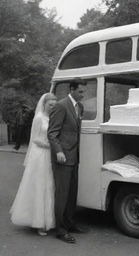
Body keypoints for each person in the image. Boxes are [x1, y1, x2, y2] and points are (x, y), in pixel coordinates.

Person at [10, 93, 57, 236]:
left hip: (50, 154)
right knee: (39, 185)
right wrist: (49, 145)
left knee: (49, 185)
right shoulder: (38, 118)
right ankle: (38, 222)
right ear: (44, 104)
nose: (52, 107)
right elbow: (35, 138)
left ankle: (48, 219)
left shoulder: (52, 118)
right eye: (50, 105)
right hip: (40, 154)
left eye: (54, 105)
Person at [47, 81, 86, 244]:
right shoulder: (61, 106)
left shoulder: (80, 107)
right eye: (81, 92)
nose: (83, 95)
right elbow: (52, 133)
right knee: (62, 195)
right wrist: (59, 152)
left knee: (72, 194)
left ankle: (69, 223)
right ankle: (61, 230)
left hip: (74, 156)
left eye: (84, 92)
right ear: (72, 89)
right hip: (63, 157)